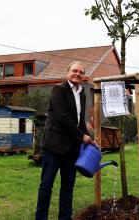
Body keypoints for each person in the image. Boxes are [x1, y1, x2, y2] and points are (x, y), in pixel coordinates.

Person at [35, 61, 92, 220]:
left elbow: (80, 121)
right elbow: (63, 117)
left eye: (81, 72)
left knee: (68, 186)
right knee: (46, 185)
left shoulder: (82, 94)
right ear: (67, 72)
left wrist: (89, 138)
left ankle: (65, 217)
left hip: (72, 149)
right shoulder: (58, 89)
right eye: (75, 70)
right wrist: (82, 136)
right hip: (54, 146)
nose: (78, 74)